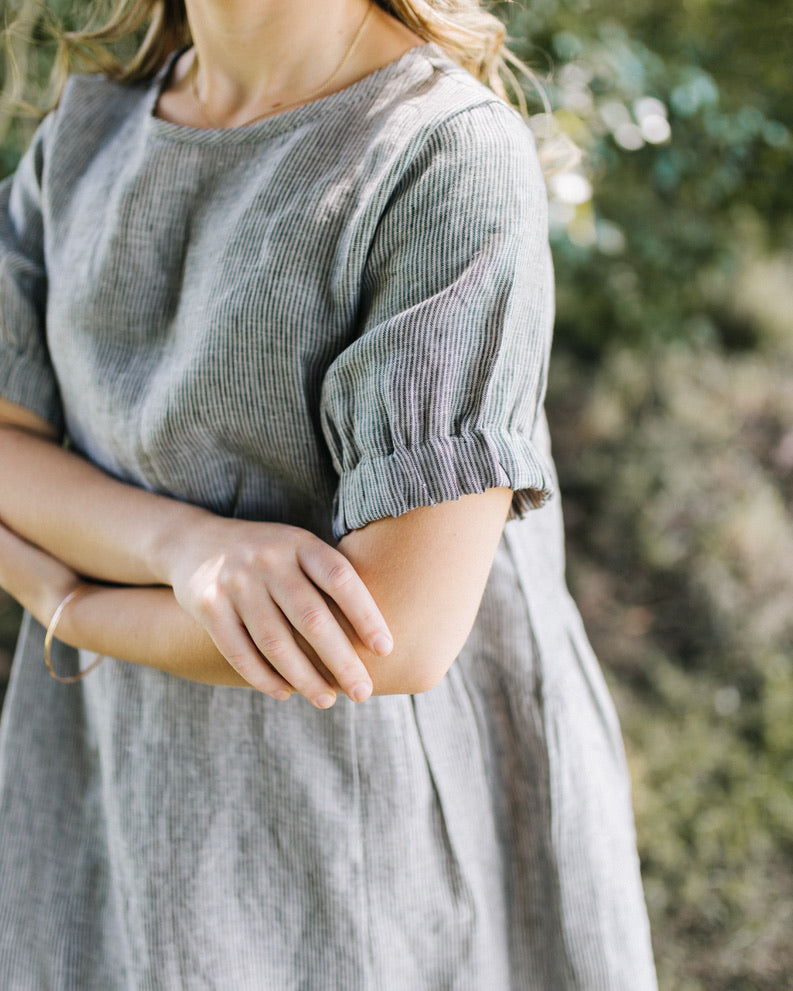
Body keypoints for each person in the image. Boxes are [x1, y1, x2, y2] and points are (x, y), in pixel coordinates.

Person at [0, 0, 658, 986]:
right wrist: (183, 548)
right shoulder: (82, 136)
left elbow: (390, 629)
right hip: (116, 790)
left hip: (361, 845)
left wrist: (74, 603)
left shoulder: (441, 154)